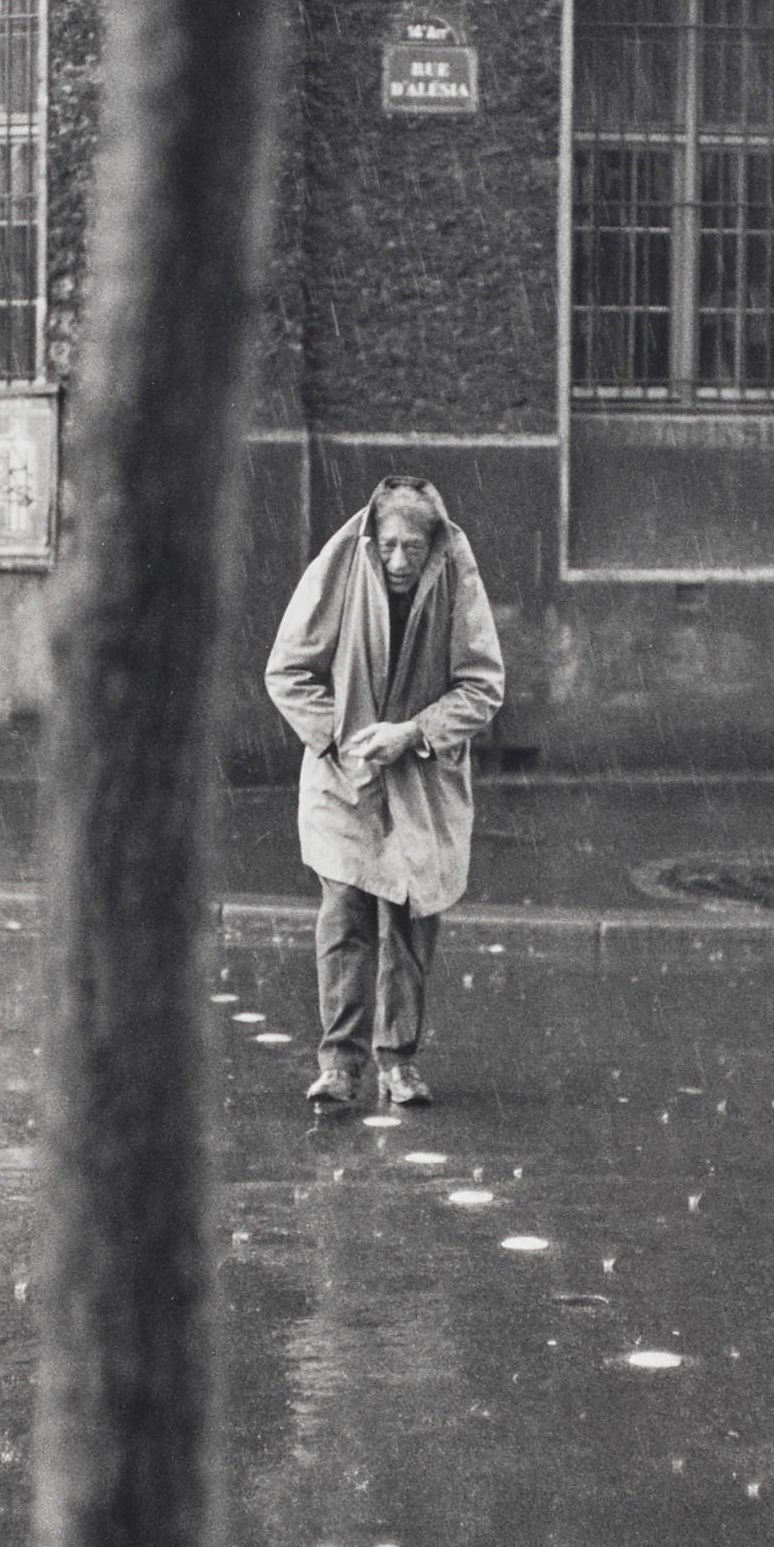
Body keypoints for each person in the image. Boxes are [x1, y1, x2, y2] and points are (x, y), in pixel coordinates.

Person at [264, 475, 505, 1112]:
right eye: (390, 546)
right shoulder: (341, 565)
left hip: (422, 779)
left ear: (433, 546)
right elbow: (287, 671)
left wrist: (415, 733)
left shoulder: (457, 575)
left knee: (410, 921)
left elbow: (482, 686)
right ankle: (339, 1065)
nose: (399, 561)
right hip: (345, 776)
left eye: (413, 549)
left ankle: (398, 1061)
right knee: (344, 914)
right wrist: (340, 738)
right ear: (373, 540)